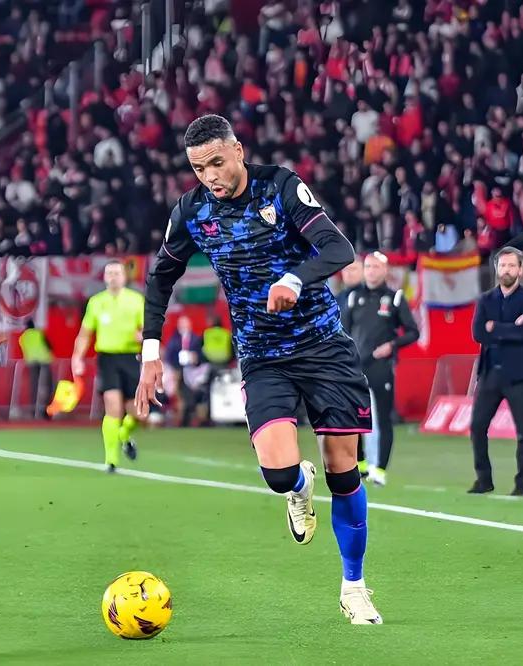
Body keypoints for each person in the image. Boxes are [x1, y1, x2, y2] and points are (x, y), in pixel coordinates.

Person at [135, 115, 381, 624]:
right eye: (199, 168)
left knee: (343, 472)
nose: (210, 176)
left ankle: (354, 587)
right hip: (263, 356)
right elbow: (160, 279)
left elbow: (339, 249)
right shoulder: (192, 210)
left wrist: (294, 278)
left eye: (217, 162)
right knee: (278, 473)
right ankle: (297, 489)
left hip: (323, 347)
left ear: (238, 151)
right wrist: (151, 354)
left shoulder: (281, 187)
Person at [341, 251, 419, 486]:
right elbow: (344, 332)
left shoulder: (394, 298)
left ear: (385, 270)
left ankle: (380, 469)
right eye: (368, 267)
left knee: (383, 418)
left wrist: (392, 345)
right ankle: (361, 464)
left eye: (376, 267)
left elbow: (413, 332)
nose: (371, 271)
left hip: (381, 367)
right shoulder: (353, 297)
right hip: (356, 367)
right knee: (354, 418)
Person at [468, 246, 523, 496]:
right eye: (503, 265)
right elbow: (478, 333)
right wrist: (509, 328)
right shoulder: (485, 300)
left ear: (520, 270)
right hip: (490, 373)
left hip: (518, 376)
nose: (506, 270)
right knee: (477, 427)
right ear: (496, 268)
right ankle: (484, 480)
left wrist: (495, 328)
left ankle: (521, 485)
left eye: (511, 265)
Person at [72, 261, 142, 472]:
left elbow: (148, 329)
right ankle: (111, 460)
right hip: (107, 358)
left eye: (117, 273)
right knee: (113, 408)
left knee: (137, 413)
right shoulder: (96, 302)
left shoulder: (136, 300)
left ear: (124, 277)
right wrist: (77, 357)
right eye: (109, 273)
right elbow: (85, 334)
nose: (113, 276)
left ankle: (124, 434)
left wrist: (143, 336)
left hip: (130, 357)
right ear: (104, 277)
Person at [164, 315, 208, 427]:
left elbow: (202, 357)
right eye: (181, 324)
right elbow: (169, 356)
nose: (183, 327)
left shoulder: (196, 339)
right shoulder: (174, 340)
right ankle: (182, 419)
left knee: (192, 396)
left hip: (193, 372)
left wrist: (195, 358)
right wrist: (174, 369)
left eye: (185, 324)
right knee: (182, 395)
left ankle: (194, 418)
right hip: (178, 371)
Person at [19, 320, 54, 418]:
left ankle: (34, 410)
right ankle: (45, 411)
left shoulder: (23, 337)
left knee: (35, 387)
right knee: (47, 386)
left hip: (32, 364)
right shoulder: (38, 333)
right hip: (44, 362)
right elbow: (49, 346)